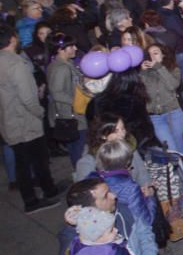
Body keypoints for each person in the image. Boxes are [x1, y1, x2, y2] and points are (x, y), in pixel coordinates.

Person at [0, 24, 61, 212]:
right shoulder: (16, 63)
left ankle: (42, 191)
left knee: (22, 161)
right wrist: (39, 112)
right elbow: (27, 96)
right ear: (12, 39)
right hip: (25, 120)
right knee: (37, 159)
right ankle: (36, 198)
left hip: (8, 120)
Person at [73, 113, 152, 191]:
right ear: (103, 135)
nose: (122, 134)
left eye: (123, 129)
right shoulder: (89, 161)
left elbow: (142, 173)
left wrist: (147, 188)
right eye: (116, 131)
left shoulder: (129, 147)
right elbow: (85, 194)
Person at [93, 139, 158, 227]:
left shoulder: (93, 179)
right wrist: (150, 197)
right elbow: (146, 222)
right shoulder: (130, 187)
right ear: (125, 162)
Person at [139, 44, 183, 155]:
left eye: (155, 53)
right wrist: (142, 73)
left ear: (163, 55)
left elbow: (173, 85)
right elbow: (141, 92)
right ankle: (180, 170)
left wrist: (159, 68)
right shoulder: (145, 73)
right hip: (155, 117)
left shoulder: (173, 69)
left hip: (173, 113)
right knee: (171, 149)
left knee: (179, 144)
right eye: (149, 54)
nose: (152, 57)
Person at [47, 32, 87, 164]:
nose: (75, 48)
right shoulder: (61, 68)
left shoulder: (65, 64)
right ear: (60, 49)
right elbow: (57, 92)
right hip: (72, 116)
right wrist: (78, 102)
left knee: (76, 149)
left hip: (72, 114)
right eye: (71, 46)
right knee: (79, 151)